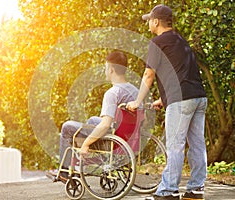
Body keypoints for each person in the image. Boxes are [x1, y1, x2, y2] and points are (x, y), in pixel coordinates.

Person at [126, 4, 207, 200]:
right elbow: (182, 73)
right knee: (197, 144)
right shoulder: (181, 41)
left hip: (181, 100)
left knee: (175, 146)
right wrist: (164, 98)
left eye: (149, 21)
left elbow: (148, 75)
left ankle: (168, 191)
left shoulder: (158, 42)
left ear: (156, 22)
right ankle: (196, 189)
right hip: (198, 97)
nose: (148, 25)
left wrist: (137, 101)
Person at [48, 51, 139, 183]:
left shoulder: (113, 93)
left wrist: (86, 144)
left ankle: (65, 170)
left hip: (114, 139)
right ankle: (80, 160)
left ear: (111, 69)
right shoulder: (134, 91)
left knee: (67, 127)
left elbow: (106, 125)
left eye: (106, 68)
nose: (105, 71)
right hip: (129, 136)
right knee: (92, 120)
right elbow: (143, 120)